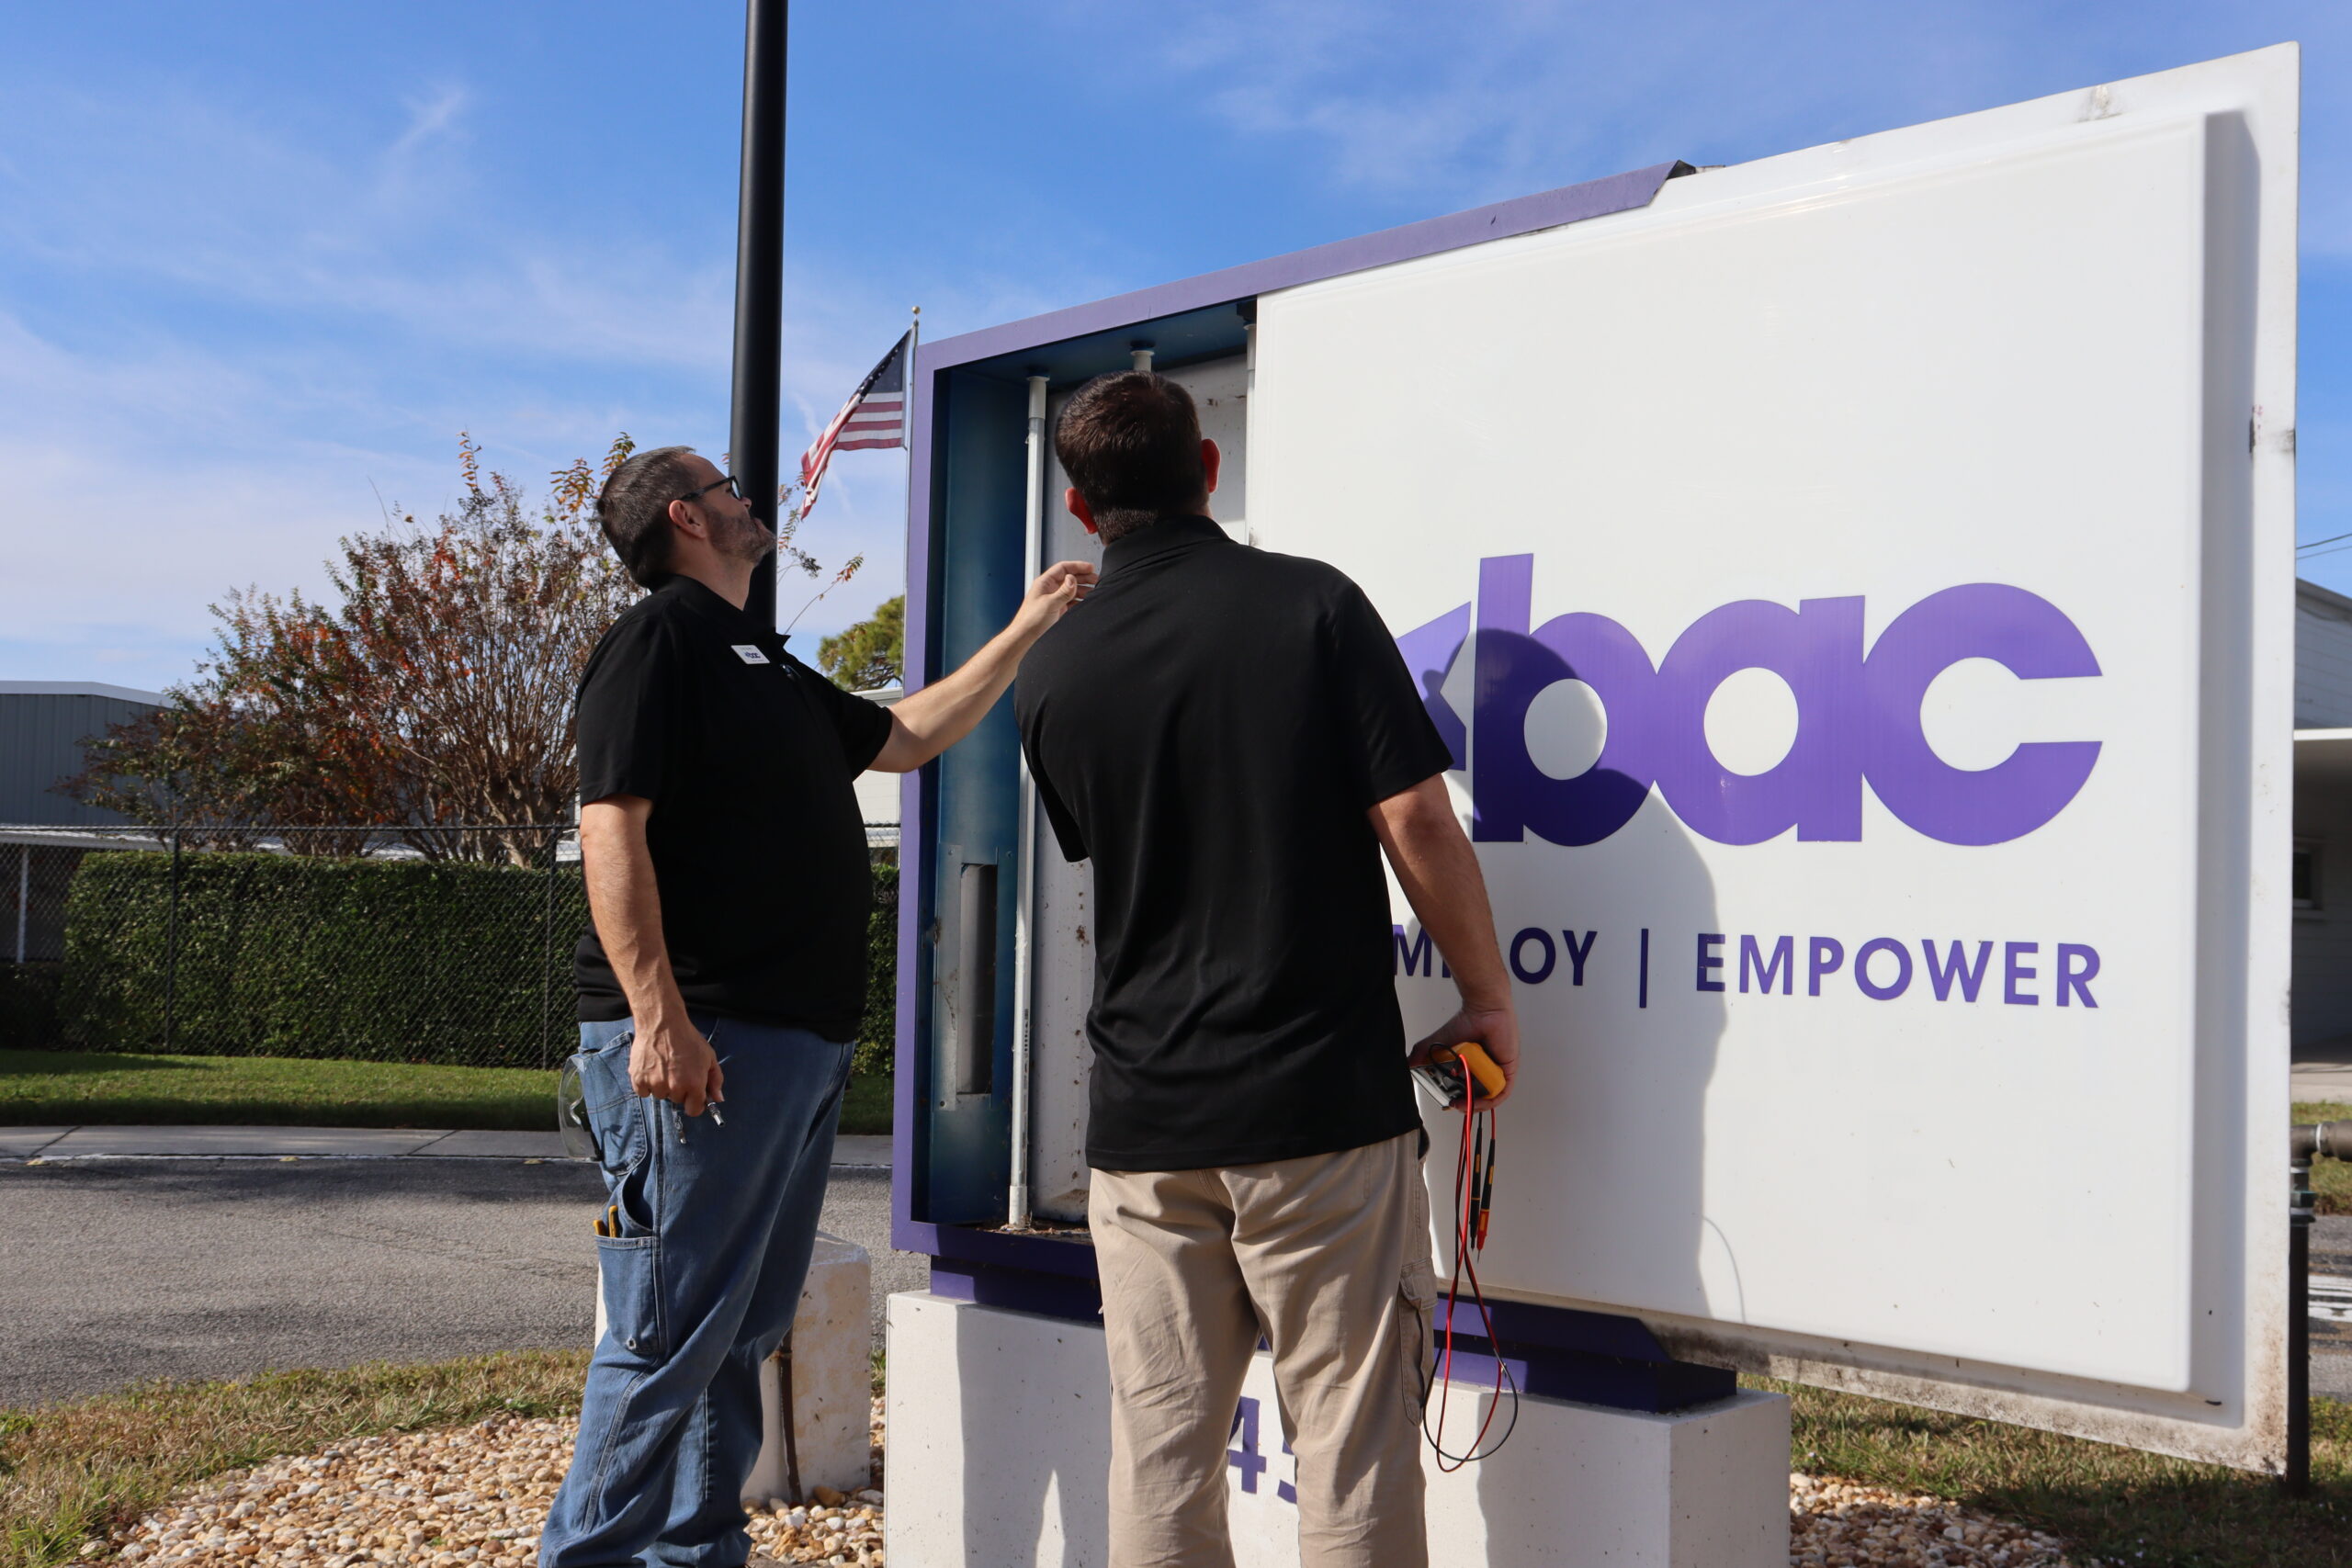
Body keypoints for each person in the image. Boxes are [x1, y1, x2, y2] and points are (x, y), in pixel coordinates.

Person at [541, 445, 1093, 1568]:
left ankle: (694, 1552)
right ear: (689, 519)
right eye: (730, 489)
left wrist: (1029, 624)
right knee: (664, 1334)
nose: (753, 501)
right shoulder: (656, 644)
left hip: (789, 1048)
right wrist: (660, 1019)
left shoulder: (766, 665)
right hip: (702, 1043)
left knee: (737, 1331)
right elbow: (611, 828)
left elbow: (911, 735)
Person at [1015, 373, 1519, 1568]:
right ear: (1207, 471)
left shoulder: (1052, 672)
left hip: (1143, 1123)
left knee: (1162, 1449)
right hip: (1318, 1107)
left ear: (1084, 513)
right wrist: (1486, 991)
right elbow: (1418, 820)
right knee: (1349, 1433)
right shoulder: (1315, 605)